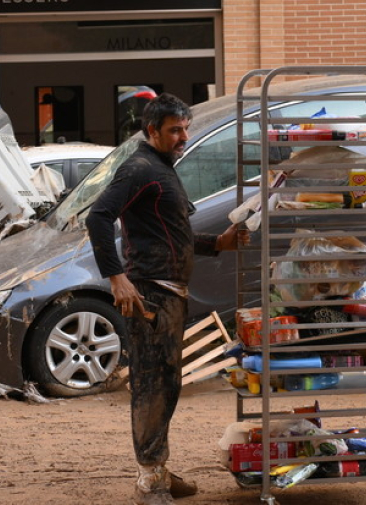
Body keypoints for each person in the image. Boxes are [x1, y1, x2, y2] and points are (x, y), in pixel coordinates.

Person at [86, 92, 247, 505]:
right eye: (175, 130)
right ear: (151, 130)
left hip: (171, 294)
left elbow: (172, 236)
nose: (183, 137)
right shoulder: (139, 168)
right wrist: (117, 279)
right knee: (152, 386)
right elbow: (98, 217)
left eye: (186, 128)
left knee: (168, 385)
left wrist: (220, 243)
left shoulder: (161, 169)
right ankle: (150, 480)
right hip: (149, 296)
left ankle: (158, 468)